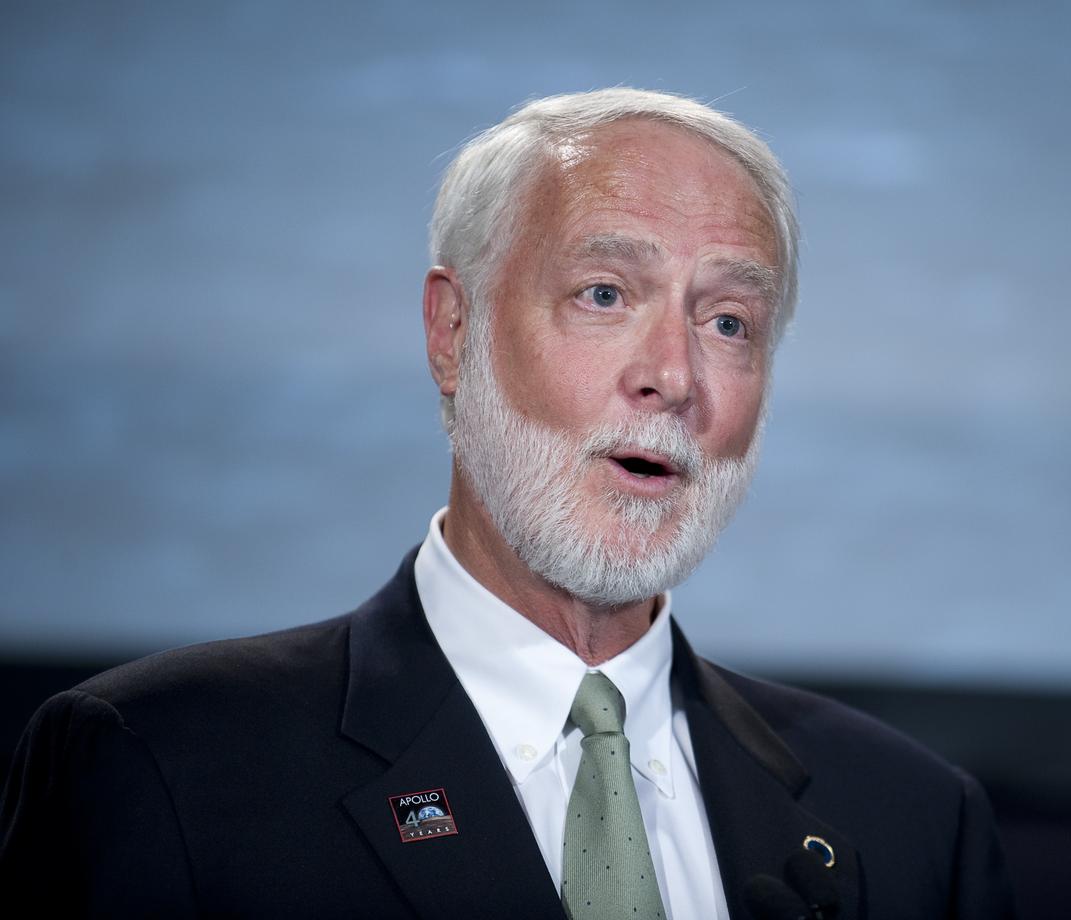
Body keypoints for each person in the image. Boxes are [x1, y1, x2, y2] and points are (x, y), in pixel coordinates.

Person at [0, 89, 1016, 918]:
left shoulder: (909, 822)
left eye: (727, 320)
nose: (672, 372)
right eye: (604, 294)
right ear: (452, 331)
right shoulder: (161, 762)